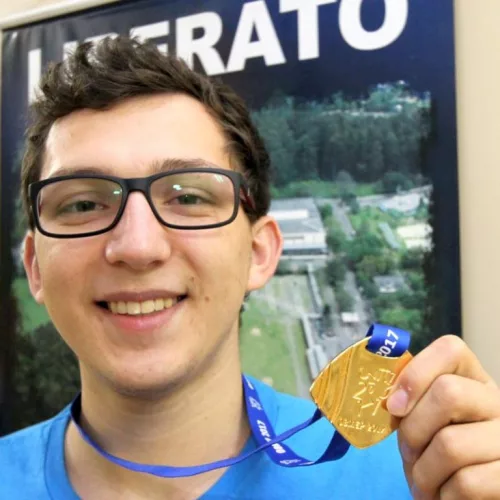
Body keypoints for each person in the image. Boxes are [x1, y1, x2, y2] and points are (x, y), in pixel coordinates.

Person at [1, 36, 499, 500]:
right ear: (35, 268)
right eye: (83, 204)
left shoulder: (418, 477)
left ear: (260, 254)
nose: (137, 245)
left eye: (188, 196)